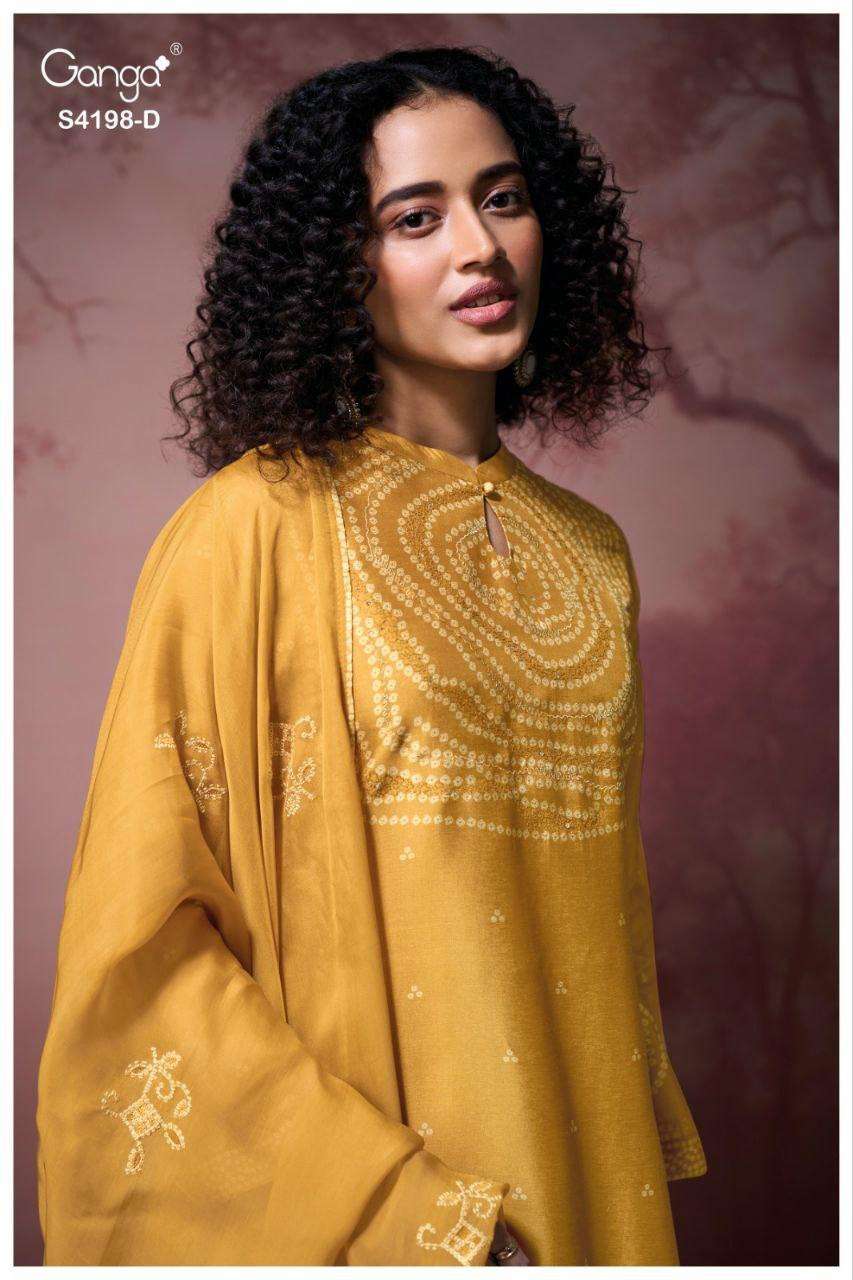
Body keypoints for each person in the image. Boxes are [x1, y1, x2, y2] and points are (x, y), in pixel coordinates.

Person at [36, 45, 707, 1267]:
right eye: (415, 217)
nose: (480, 249)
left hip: (592, 1193)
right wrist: (418, 1217)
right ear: (335, 263)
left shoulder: (592, 554)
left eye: (503, 198)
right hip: (407, 1220)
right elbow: (144, 955)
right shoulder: (249, 529)